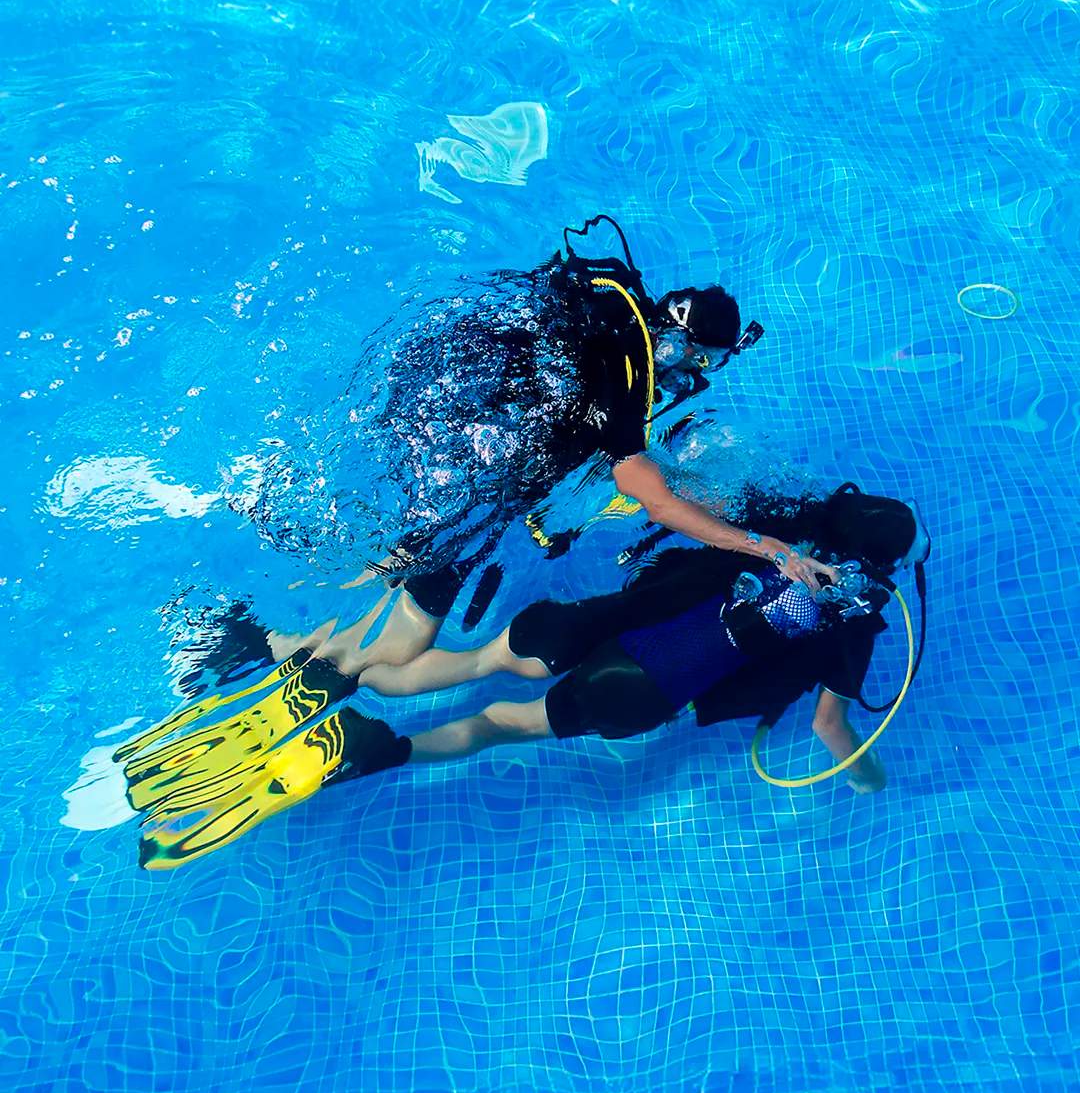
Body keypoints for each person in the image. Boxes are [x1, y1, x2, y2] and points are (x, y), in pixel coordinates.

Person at [120, 483, 928, 870]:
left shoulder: (769, 532)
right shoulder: (855, 618)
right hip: (635, 690)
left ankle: (323, 664)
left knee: (471, 664)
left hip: (573, 629)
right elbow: (830, 726)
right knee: (493, 726)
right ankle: (369, 751)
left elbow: (674, 512)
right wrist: (872, 785)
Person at [249, 216, 837, 681]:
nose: (694, 374)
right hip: (483, 477)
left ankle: (266, 621)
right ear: (680, 340)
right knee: (408, 643)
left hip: (442, 400)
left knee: (387, 560)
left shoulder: (608, 299)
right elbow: (654, 501)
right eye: (700, 359)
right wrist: (766, 547)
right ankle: (269, 646)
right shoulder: (628, 377)